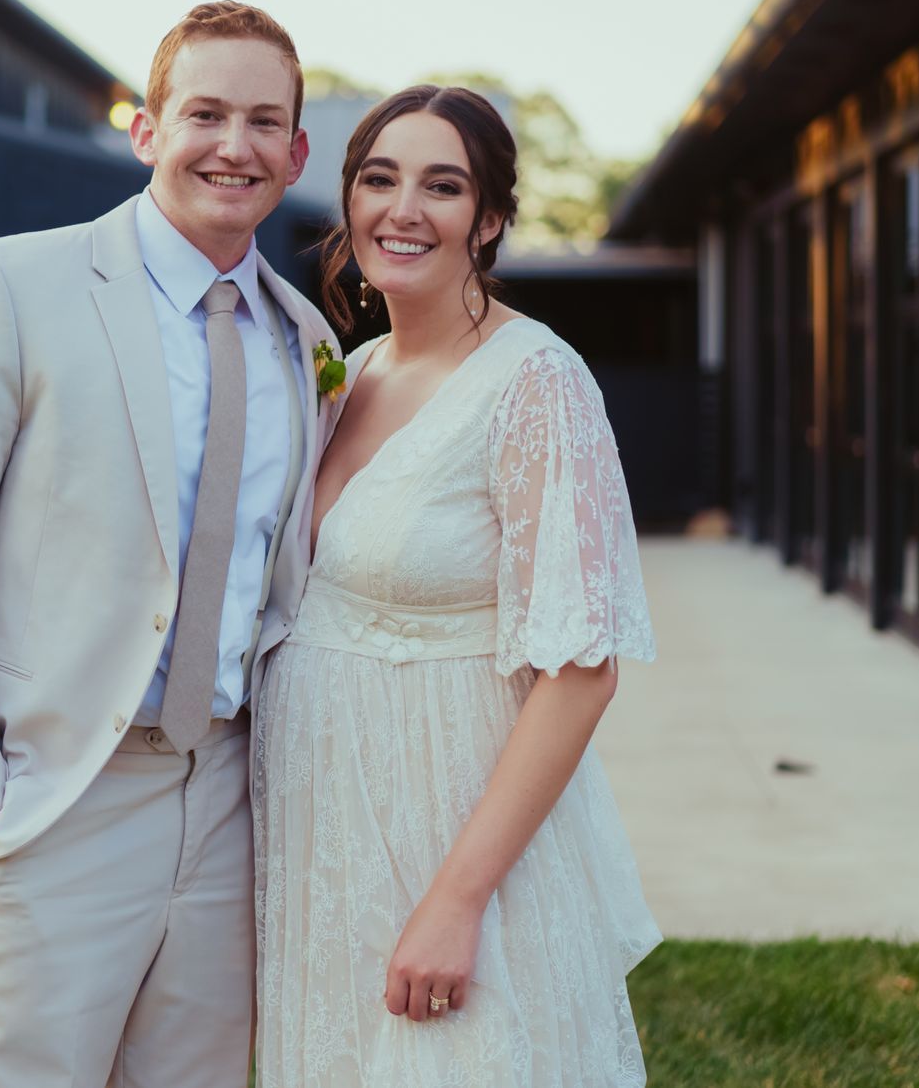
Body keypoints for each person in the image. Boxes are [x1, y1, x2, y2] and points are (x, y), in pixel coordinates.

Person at [0, 0, 340, 1088]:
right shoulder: (10, 286)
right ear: (146, 130)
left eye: (265, 121)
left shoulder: (307, 341)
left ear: (297, 152)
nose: (236, 145)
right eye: (206, 112)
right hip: (49, 798)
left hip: (224, 801)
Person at [253, 85, 662, 1085]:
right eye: (379, 179)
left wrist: (456, 899)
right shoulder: (350, 370)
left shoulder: (537, 384)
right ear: (346, 201)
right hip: (326, 835)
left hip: (451, 829)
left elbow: (580, 673)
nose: (404, 209)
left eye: (443, 186)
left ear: (487, 220)